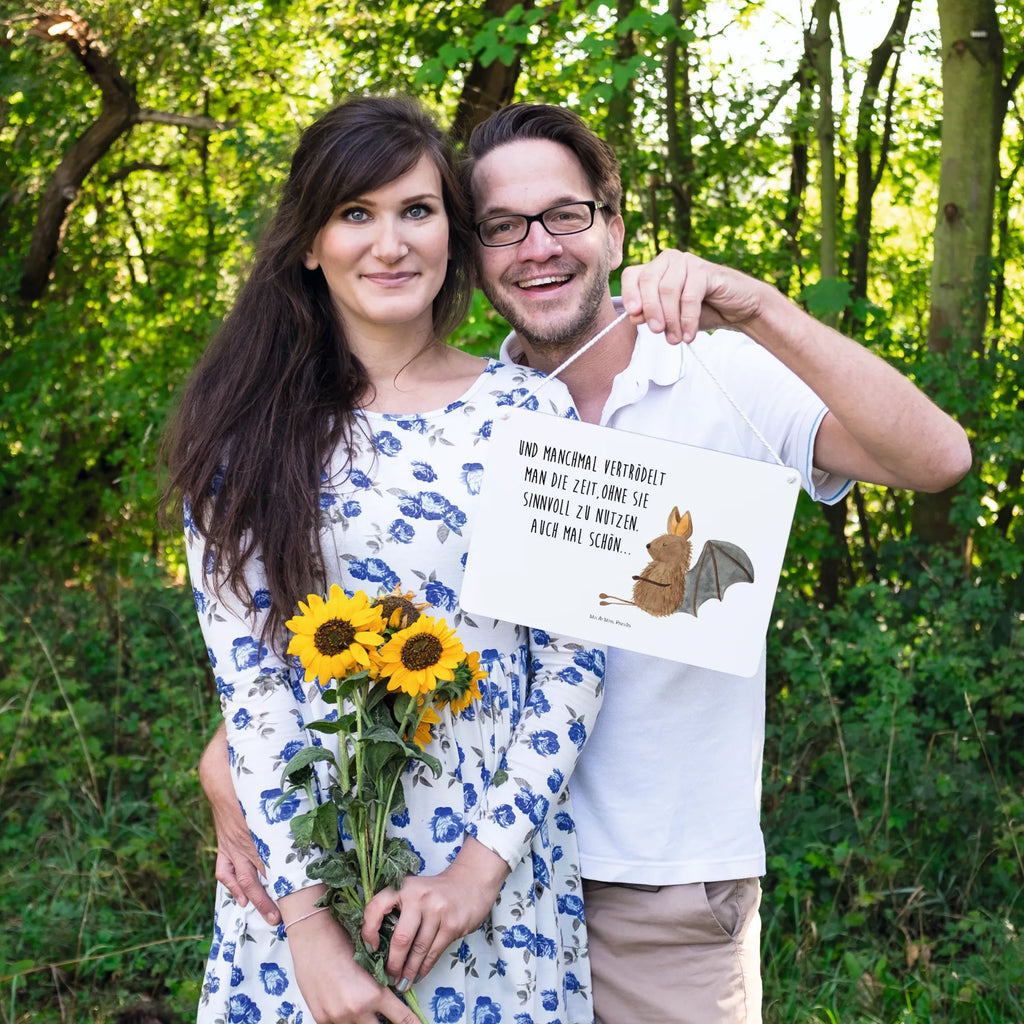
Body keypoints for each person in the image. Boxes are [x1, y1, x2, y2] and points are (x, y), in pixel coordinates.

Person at [201, 102, 972, 1024]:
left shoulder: (711, 372)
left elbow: (938, 461)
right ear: (475, 250)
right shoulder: (460, 415)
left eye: (564, 215)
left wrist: (759, 306)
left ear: (612, 225)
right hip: (419, 875)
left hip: (649, 887)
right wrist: (234, 770)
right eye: (502, 227)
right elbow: (332, 633)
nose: (537, 247)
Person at [163, 96, 608, 1024]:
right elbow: (253, 691)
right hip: (302, 884)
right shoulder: (244, 438)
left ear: (452, 229)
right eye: (355, 214)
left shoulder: (531, 415)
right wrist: (311, 937)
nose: (391, 243)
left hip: (492, 887)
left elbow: (573, 661)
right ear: (309, 244)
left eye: (417, 210)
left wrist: (478, 873)